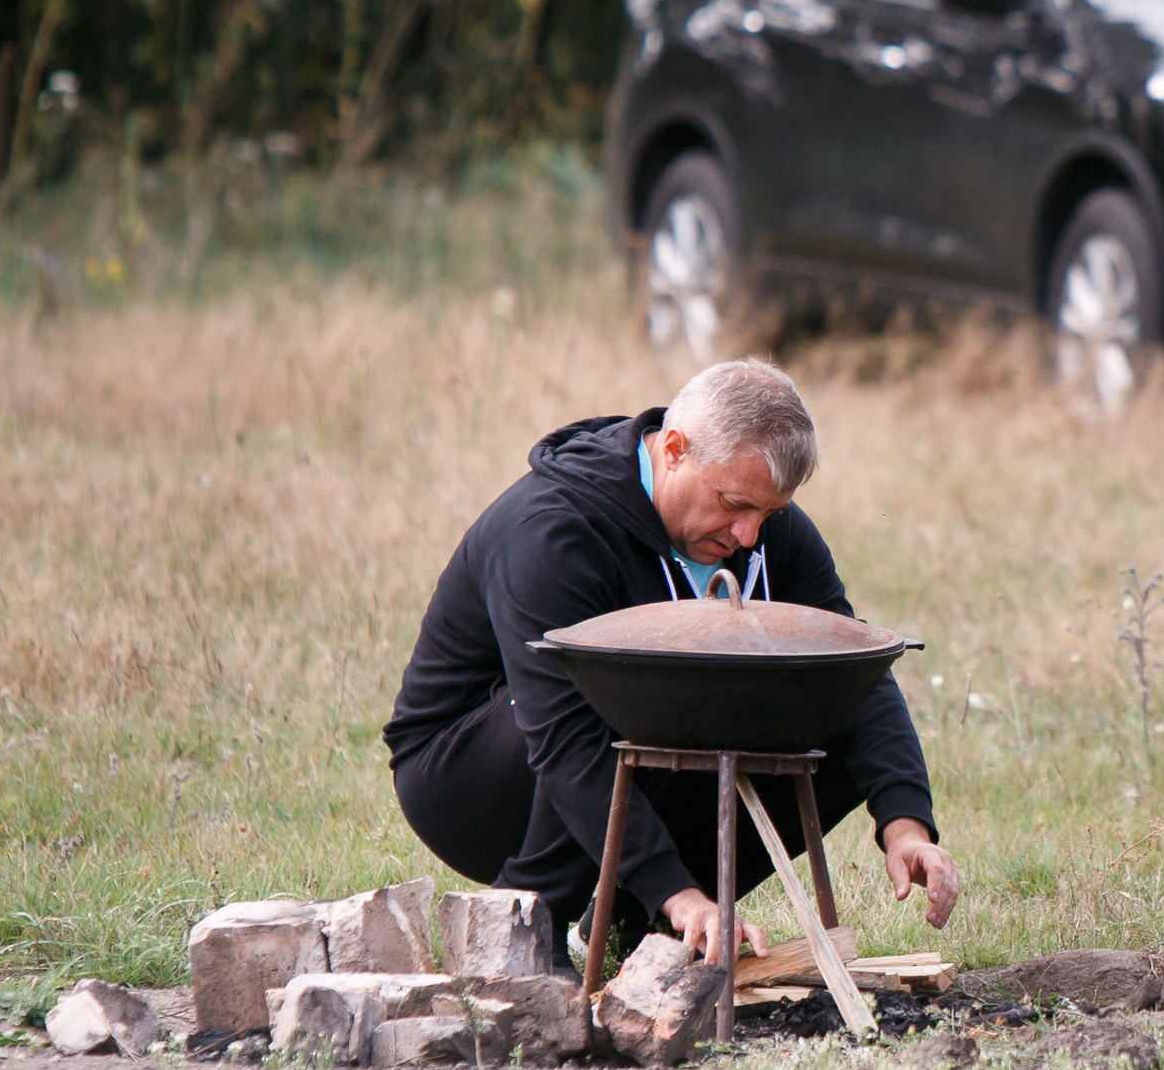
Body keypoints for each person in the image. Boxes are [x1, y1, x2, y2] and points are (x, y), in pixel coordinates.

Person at [384, 358, 957, 967]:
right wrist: (684, 894)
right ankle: (529, 919)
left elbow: (853, 673)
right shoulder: (552, 529)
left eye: (769, 513)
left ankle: (638, 925)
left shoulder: (761, 526)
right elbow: (563, 733)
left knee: (816, 701)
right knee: (618, 681)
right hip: (467, 777)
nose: (749, 537)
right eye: (735, 505)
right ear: (675, 450)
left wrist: (906, 825)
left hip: (622, 742)